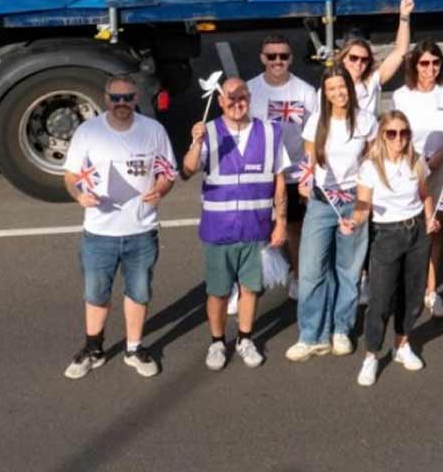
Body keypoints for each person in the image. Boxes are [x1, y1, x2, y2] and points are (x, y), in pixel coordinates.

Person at [62, 75, 177, 380]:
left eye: (127, 98)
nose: (122, 104)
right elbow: (71, 176)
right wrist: (79, 196)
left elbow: (168, 172)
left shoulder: (153, 130)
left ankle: (134, 348)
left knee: (138, 292)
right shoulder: (88, 132)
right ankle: (93, 348)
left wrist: (161, 190)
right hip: (99, 233)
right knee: (96, 294)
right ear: (105, 98)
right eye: (116, 98)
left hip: (142, 230)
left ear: (136, 98)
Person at [182, 76, 289, 371]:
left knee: (250, 288)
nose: (236, 104)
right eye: (230, 99)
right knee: (217, 291)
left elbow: (279, 180)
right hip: (219, 230)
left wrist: (280, 222)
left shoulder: (269, 132)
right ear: (220, 101)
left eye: (242, 99)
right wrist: (196, 141)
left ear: (249, 99)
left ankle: (245, 338)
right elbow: (188, 169)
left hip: (256, 228)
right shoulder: (210, 132)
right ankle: (217, 342)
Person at [287, 68, 371, 362]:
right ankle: (311, 335)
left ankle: (340, 330)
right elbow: (308, 161)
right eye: (332, 88)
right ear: (325, 92)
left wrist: (365, 203)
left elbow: (371, 163)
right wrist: (304, 183)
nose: (338, 93)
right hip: (322, 203)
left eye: (342, 87)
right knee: (311, 271)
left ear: (350, 87)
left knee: (348, 271)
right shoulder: (316, 122)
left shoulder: (365, 120)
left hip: (353, 200)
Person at [354, 111, 441, 386]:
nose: (398, 138)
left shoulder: (416, 162)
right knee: (380, 299)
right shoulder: (370, 166)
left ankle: (401, 345)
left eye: (403, 132)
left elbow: (426, 194)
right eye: (392, 133)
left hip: (416, 231)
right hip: (386, 234)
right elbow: (363, 204)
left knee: (413, 295)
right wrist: (354, 221)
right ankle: (371, 355)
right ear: (382, 135)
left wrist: (430, 219)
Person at [390, 40, 443, 321]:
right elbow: (396, 133)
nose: (430, 68)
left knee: (434, 229)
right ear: (414, 65)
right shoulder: (402, 95)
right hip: (410, 169)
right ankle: (406, 286)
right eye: (424, 63)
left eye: (435, 62)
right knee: (407, 229)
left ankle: (431, 291)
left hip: (442, 169)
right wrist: (420, 164)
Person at [247, 34, 319, 292]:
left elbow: (314, 136)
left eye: (283, 56)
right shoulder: (250, 90)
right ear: (262, 58)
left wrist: (308, 176)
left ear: (290, 58)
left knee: (294, 230)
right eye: (271, 56)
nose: (277, 61)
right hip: (260, 175)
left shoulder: (305, 91)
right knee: (253, 232)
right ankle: (246, 285)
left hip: (294, 174)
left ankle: (298, 278)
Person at [333, 0, 415, 129]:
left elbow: (401, 51)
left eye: (364, 59)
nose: (358, 63)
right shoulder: (331, 84)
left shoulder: (372, 80)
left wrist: (404, 16)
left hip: (369, 144)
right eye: (353, 58)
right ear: (343, 58)